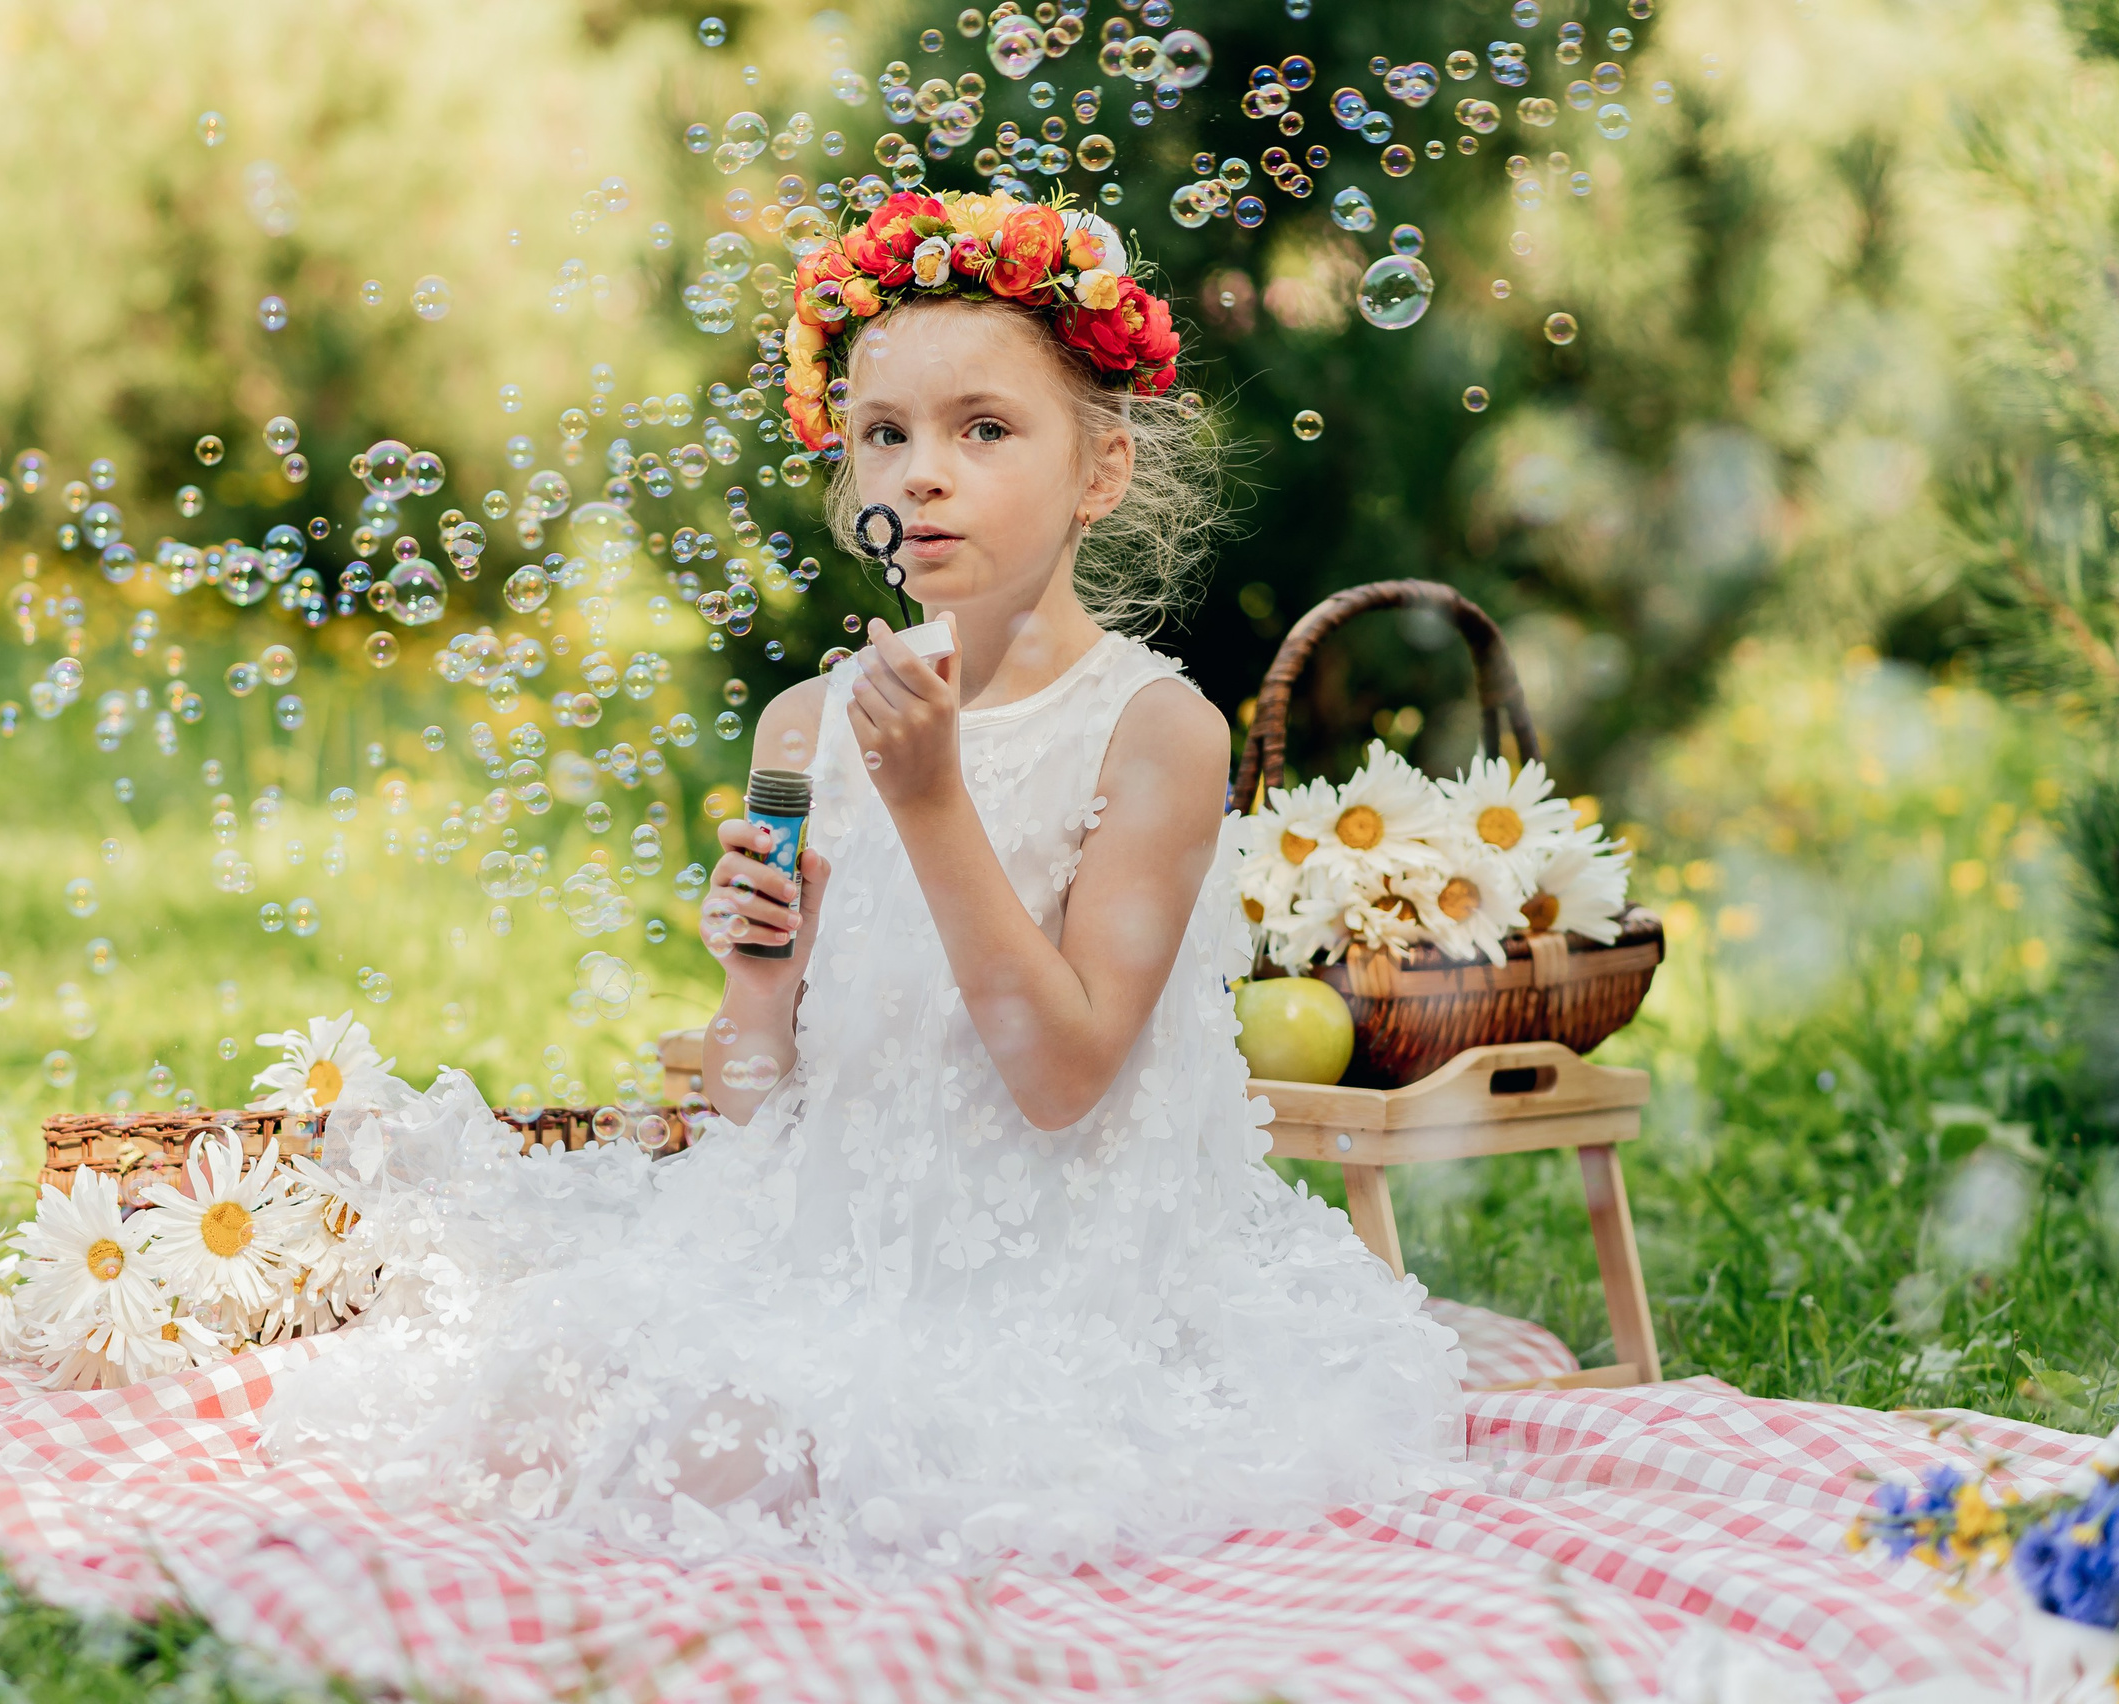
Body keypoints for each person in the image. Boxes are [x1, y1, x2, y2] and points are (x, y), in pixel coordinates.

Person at [261, 191, 1466, 1585]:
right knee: (558, 1414)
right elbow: (754, 1104)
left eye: (984, 429)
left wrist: (932, 803)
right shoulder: (805, 728)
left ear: (1102, 470)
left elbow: (1065, 1075)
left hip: (1059, 1292)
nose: (922, 474)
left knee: (751, 1464)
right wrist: (759, 983)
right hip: (824, 1245)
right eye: (885, 433)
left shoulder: (1154, 733)